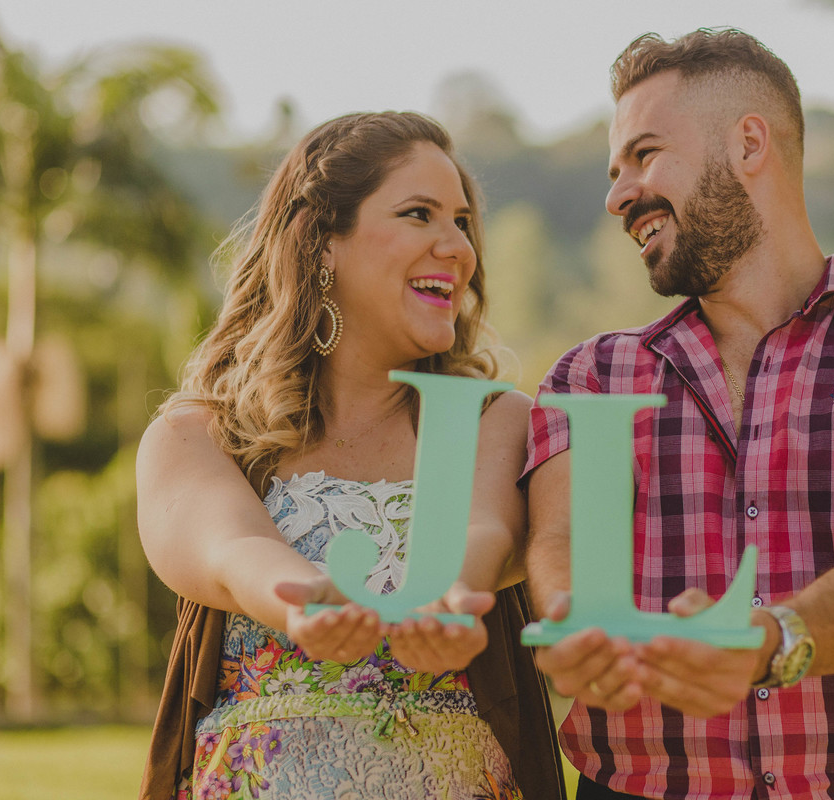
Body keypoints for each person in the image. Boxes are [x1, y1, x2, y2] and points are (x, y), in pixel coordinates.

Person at [523, 29, 834, 800]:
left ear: (750, 143)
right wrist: (576, 621)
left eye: (643, 156)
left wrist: (771, 640)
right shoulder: (591, 375)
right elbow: (562, 538)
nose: (617, 196)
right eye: (614, 171)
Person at [136, 112, 564, 800]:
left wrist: (446, 599)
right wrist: (309, 604)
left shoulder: (498, 420)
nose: (457, 246)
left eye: (461, 221)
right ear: (322, 243)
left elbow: (485, 526)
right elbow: (230, 549)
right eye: (419, 214)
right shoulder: (199, 436)